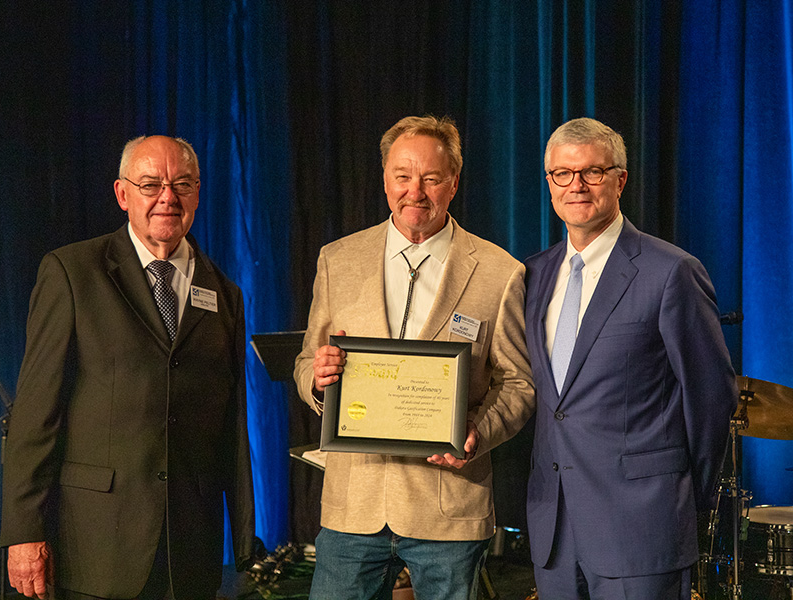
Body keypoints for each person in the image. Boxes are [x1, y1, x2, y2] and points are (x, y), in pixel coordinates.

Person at [1, 136, 257, 600]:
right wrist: (23, 532)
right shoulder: (72, 272)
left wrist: (243, 536)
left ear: (198, 193)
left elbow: (233, 425)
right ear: (123, 195)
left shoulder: (225, 293)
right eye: (150, 184)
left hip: (192, 549)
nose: (167, 197)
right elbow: (36, 415)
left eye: (181, 184)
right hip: (96, 546)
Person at [294, 115, 535, 600]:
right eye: (402, 176)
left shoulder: (499, 272)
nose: (415, 192)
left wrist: (477, 433)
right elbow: (305, 362)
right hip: (353, 505)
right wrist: (317, 381)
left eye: (431, 178)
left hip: (449, 508)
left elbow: (518, 384)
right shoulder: (337, 259)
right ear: (385, 180)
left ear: (453, 184)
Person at [523, 117, 737, 599]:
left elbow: (711, 399)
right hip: (554, 531)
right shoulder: (533, 275)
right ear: (550, 184)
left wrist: (681, 498)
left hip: (643, 527)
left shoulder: (671, 271)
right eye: (562, 173)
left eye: (592, 172)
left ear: (620, 179)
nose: (576, 185)